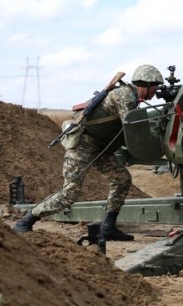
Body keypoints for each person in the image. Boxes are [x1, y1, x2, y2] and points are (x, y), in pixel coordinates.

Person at [12, 64, 164, 241]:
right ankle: (26, 221)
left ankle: (108, 227)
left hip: (99, 146)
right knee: (70, 194)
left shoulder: (132, 98)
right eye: (155, 87)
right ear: (145, 84)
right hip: (83, 144)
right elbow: (133, 128)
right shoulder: (125, 95)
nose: (156, 92)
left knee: (122, 179)